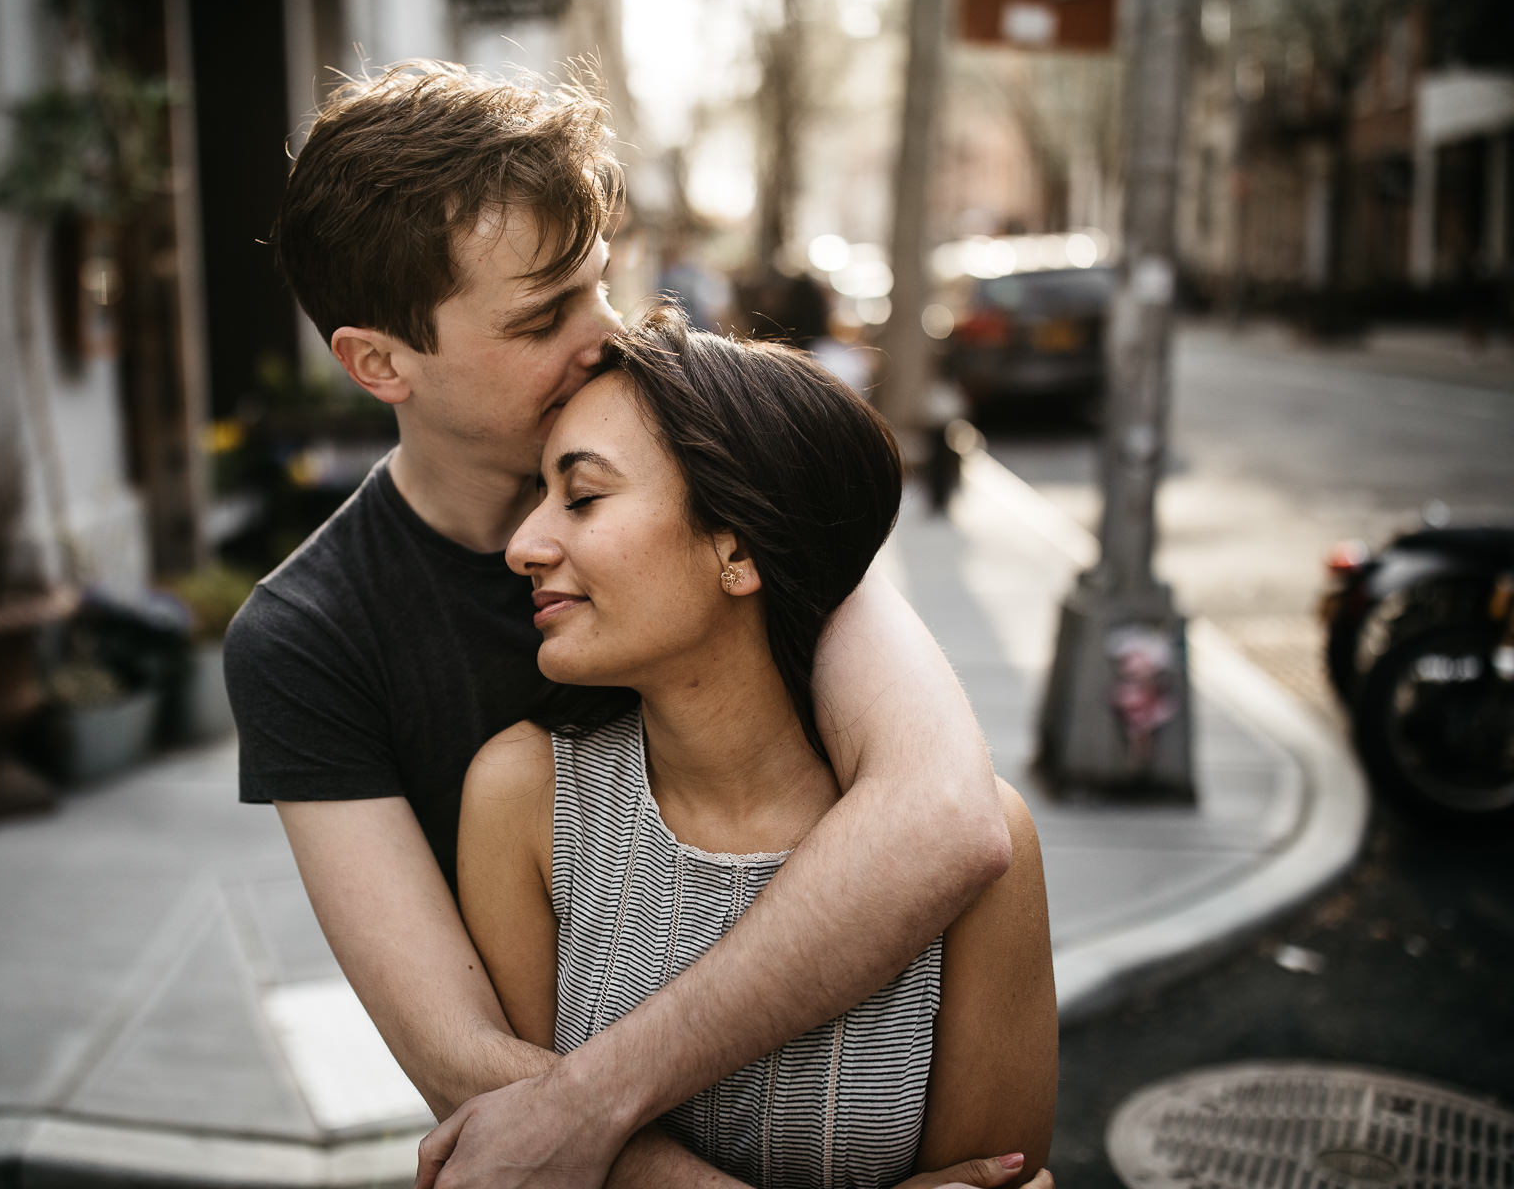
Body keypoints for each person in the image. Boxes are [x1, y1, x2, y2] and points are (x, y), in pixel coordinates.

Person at [225, 61, 1013, 1188]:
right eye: (545, 315)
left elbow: (945, 818)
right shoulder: (309, 636)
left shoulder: (707, 459)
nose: (609, 335)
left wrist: (597, 1093)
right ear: (379, 362)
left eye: (599, 282)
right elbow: (463, 1063)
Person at [452, 312, 1056, 1188]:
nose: (524, 546)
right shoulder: (525, 800)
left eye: (581, 497)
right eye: (536, 500)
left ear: (735, 548)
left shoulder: (982, 852)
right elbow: (521, 1163)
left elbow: (999, 1178)